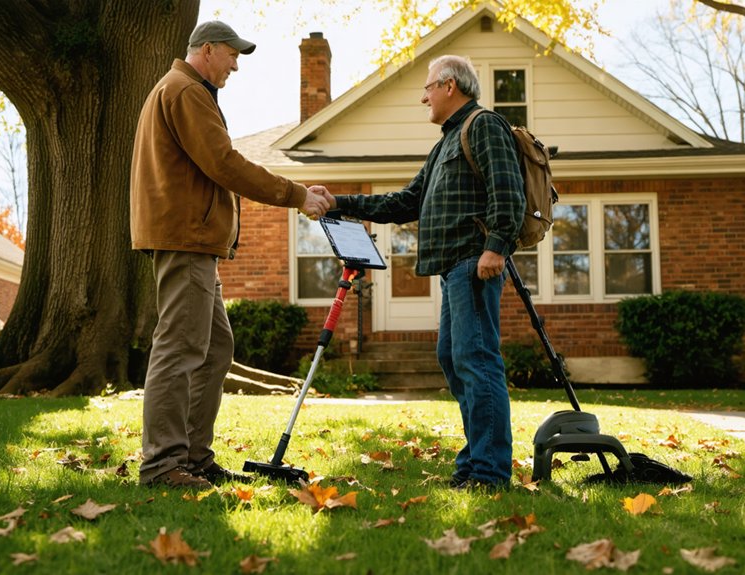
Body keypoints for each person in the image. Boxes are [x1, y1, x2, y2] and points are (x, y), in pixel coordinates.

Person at [130, 20, 330, 489]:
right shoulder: (185, 91)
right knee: (179, 348)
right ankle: (162, 464)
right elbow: (223, 163)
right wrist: (295, 194)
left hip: (193, 240)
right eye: (233, 54)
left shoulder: (182, 90)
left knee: (216, 348)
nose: (237, 65)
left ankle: (194, 457)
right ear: (208, 50)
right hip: (186, 240)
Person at [327, 55, 524, 489]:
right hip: (453, 268)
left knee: (477, 360)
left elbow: (508, 190)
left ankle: (490, 473)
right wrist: (341, 203)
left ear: (450, 85)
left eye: (428, 88)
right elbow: (404, 202)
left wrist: (496, 246)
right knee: (454, 360)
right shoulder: (445, 144)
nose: (424, 97)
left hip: (475, 262)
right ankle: (475, 462)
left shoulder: (484, 125)